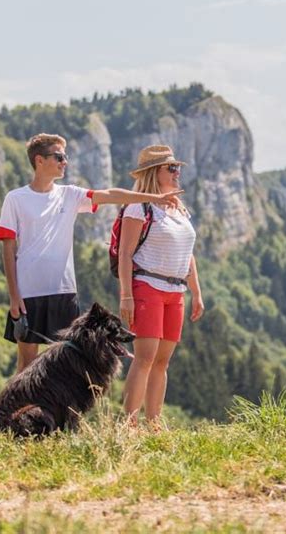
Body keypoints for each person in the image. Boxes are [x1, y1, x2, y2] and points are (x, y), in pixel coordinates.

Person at [0, 133, 183, 373]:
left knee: (61, 365)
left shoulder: (70, 194)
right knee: (27, 363)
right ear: (39, 160)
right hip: (28, 292)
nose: (65, 162)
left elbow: (111, 195)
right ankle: (17, 410)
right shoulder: (15, 199)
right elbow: (8, 248)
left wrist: (154, 197)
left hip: (64, 291)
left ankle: (54, 411)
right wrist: (14, 296)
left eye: (65, 157)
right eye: (59, 157)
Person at [119, 145, 204, 426]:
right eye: (171, 168)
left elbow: (187, 253)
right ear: (154, 172)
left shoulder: (179, 208)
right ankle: (129, 425)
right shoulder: (138, 207)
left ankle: (154, 424)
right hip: (147, 286)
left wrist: (196, 292)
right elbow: (125, 254)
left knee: (162, 362)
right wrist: (126, 296)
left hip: (175, 290)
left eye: (177, 167)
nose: (177, 172)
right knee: (144, 358)